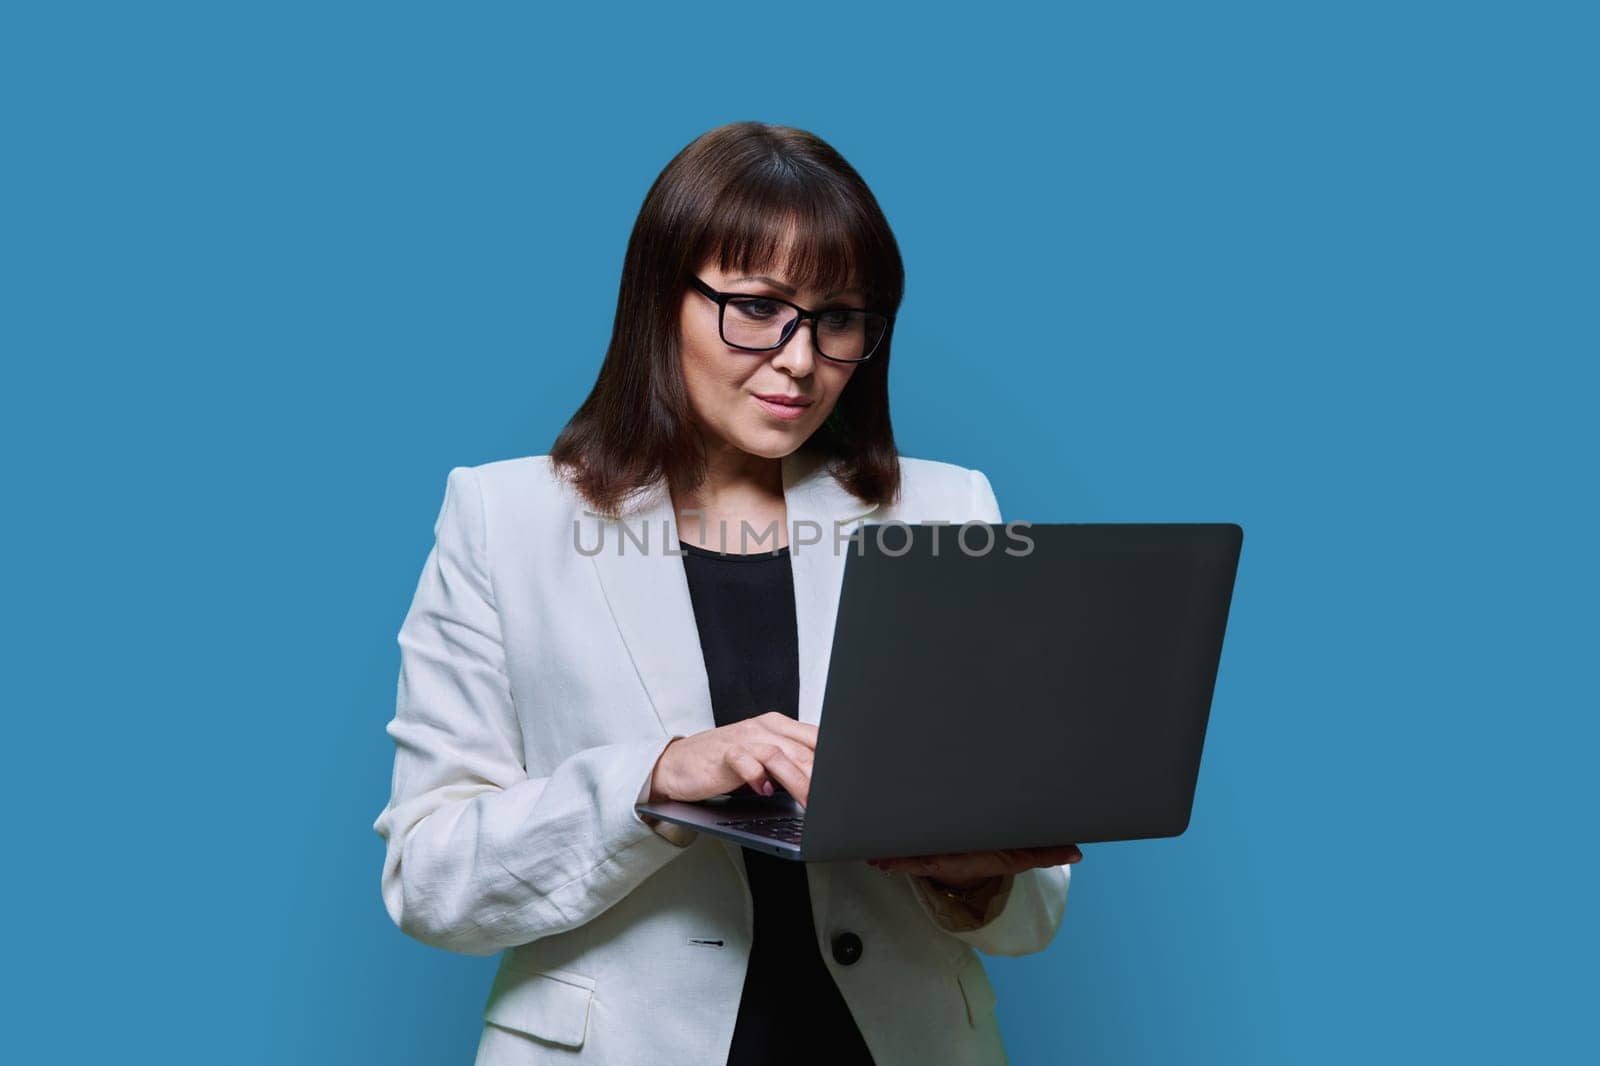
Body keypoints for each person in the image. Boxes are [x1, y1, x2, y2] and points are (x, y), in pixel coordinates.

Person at [372, 121, 1081, 1066]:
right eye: (756, 307)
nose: (800, 359)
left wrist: (967, 876)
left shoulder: (950, 508)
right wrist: (654, 781)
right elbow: (429, 879)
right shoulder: (503, 519)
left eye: (839, 318)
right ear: (661, 298)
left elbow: (1031, 915)